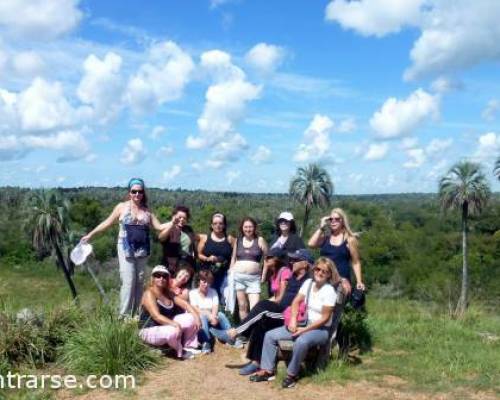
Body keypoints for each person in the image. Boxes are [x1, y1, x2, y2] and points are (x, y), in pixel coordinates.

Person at [211, 249, 313, 375]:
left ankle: (234, 333)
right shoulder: (293, 276)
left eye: (296, 260)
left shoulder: (309, 280)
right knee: (261, 322)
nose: (292, 262)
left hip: (291, 316)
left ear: (305, 263)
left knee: (263, 306)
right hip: (282, 311)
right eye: (291, 259)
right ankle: (256, 362)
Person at [250, 257, 341, 388]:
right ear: (314, 269)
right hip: (303, 323)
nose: (320, 273)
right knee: (270, 335)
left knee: (301, 341)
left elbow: (325, 319)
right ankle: (267, 371)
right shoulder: (308, 283)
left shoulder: (329, 291)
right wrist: (293, 319)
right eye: (318, 269)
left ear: (329, 274)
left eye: (324, 271)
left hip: (320, 330)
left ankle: (291, 375)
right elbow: (296, 302)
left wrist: (303, 331)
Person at [81, 178, 165, 317]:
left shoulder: (147, 211)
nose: (137, 194)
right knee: (128, 280)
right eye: (134, 191)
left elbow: (159, 227)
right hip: (126, 248)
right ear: (129, 192)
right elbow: (107, 222)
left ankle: (136, 314)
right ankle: (124, 316)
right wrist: (91, 235)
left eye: (140, 191)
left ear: (143, 193)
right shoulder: (121, 207)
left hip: (142, 249)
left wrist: (174, 221)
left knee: (139, 281)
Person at [138, 265, 202, 359]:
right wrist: (175, 324)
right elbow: (156, 316)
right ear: (153, 278)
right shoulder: (149, 293)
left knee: (191, 318)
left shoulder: (168, 293)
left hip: (163, 328)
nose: (161, 278)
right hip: (148, 330)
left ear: (168, 278)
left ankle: (188, 346)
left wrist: (197, 318)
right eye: (158, 275)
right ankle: (179, 351)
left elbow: (185, 305)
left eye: (164, 276)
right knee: (173, 330)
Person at [308, 208, 364, 291]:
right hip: (323, 279)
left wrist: (359, 281)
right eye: (331, 219)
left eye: (337, 219)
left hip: (341, 283)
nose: (333, 221)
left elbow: (355, 262)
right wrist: (321, 228)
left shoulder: (349, 240)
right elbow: (311, 244)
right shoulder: (326, 238)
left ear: (343, 221)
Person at [230, 217, 268, 320]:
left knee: (255, 308)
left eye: (250, 227)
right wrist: (230, 272)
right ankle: (245, 332)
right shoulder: (238, 241)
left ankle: (254, 332)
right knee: (242, 306)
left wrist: (264, 275)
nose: (248, 229)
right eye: (245, 227)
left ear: (254, 227)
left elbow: (267, 259)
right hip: (238, 278)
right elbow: (233, 258)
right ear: (242, 228)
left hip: (254, 279)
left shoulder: (260, 240)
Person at [189, 269, 233, 354]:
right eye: (204, 281)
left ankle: (231, 335)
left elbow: (215, 306)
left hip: (212, 316)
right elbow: (195, 308)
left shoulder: (213, 292)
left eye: (208, 282)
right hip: (200, 317)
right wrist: (208, 314)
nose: (206, 285)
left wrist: (213, 316)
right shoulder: (193, 293)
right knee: (203, 317)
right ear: (199, 281)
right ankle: (206, 342)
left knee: (221, 315)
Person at [197, 212, 235, 300]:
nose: (218, 226)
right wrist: (207, 258)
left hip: (225, 275)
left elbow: (236, 254)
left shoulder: (230, 239)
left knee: (224, 299)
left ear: (224, 225)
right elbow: (199, 254)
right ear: (211, 225)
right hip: (207, 274)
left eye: (220, 223)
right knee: (208, 298)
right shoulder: (205, 238)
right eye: (215, 223)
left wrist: (233, 267)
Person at [159, 205, 198, 274]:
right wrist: (172, 224)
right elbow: (161, 238)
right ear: (174, 217)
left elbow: (194, 243)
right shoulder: (169, 228)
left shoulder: (188, 229)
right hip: (170, 265)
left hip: (187, 265)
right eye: (179, 217)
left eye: (184, 218)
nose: (182, 220)